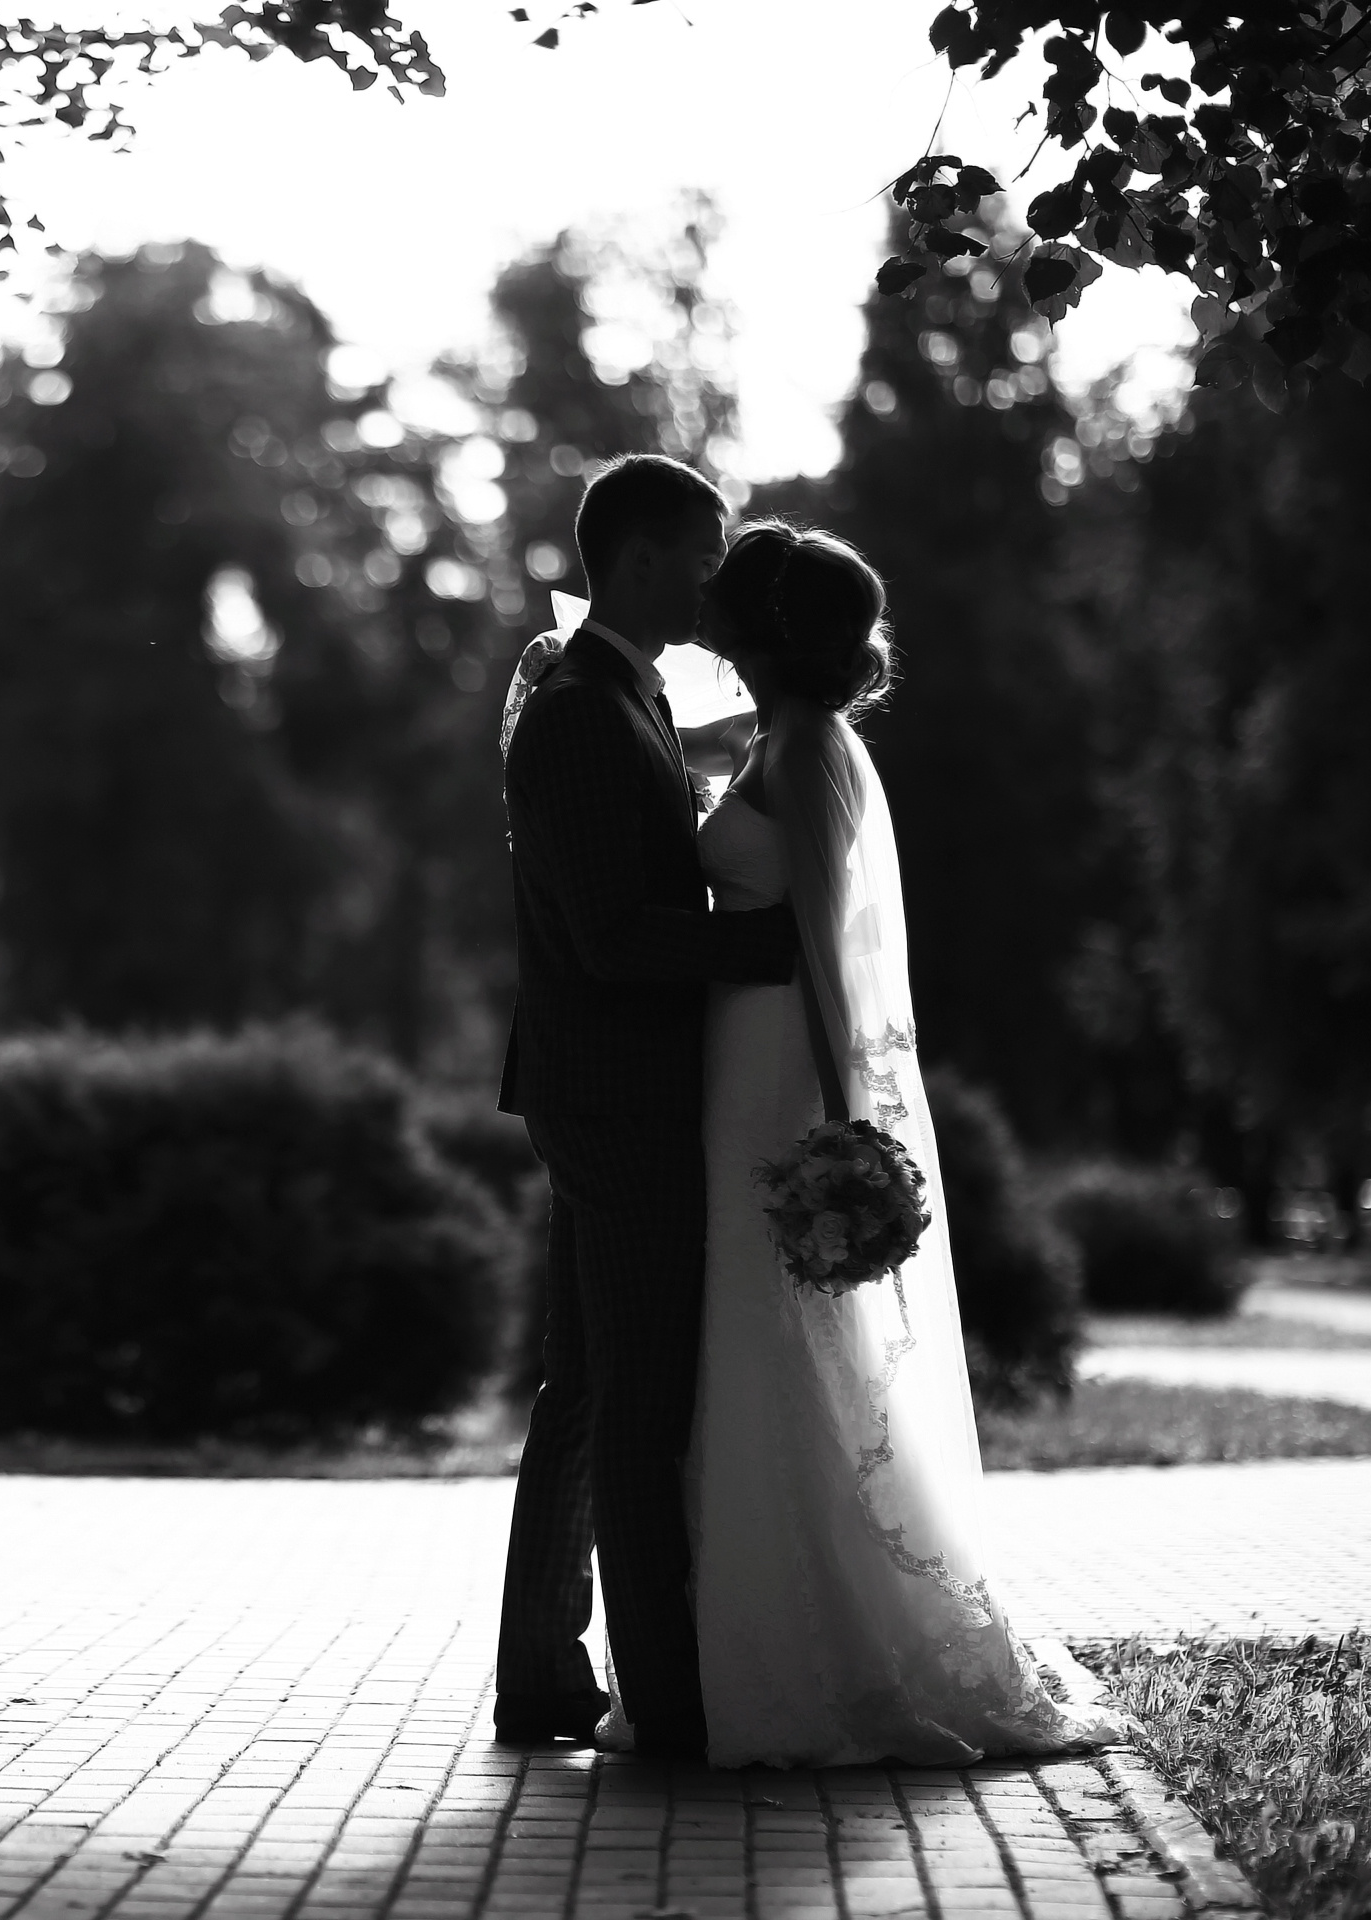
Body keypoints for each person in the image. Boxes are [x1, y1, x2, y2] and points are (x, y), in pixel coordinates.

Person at [684, 519, 1126, 1765]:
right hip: (741, 1060)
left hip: (777, 1071)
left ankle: (823, 1656)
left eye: (725, 592)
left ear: (762, 623)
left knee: (779, 1330)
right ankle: (768, 1637)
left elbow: (833, 948)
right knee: (756, 1337)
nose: (703, 603)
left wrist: (837, 1132)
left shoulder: (813, 750)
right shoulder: (778, 741)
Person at [491, 454, 799, 1759]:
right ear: (640, 559)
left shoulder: (633, 696)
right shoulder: (578, 712)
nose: (717, 578)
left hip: (607, 1090)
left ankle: (545, 1678)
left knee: (581, 1389)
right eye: (704, 551)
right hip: (614, 1101)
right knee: (633, 1399)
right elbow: (617, 938)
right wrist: (769, 948)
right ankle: (665, 1701)